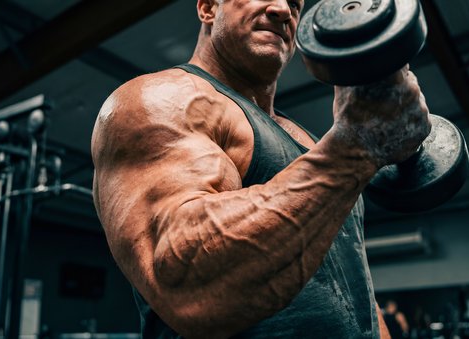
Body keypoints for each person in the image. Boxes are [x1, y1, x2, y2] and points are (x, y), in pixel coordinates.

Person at [90, 0, 430, 337]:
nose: (283, 10)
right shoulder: (161, 99)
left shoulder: (316, 144)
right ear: (208, 8)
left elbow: (357, 292)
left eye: (295, 4)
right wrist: (353, 149)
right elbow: (186, 282)